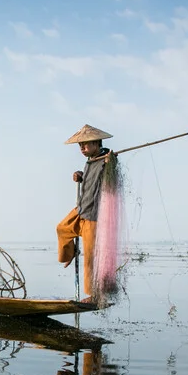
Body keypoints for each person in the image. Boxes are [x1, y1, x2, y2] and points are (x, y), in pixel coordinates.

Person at [56, 124, 114, 300]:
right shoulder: (90, 161)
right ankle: (70, 252)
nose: (82, 148)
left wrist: (110, 162)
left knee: (90, 258)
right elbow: (90, 179)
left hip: (94, 215)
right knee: (62, 228)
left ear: (96, 143)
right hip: (81, 208)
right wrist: (80, 174)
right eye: (80, 145)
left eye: (85, 144)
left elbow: (110, 176)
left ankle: (95, 295)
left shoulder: (106, 159)